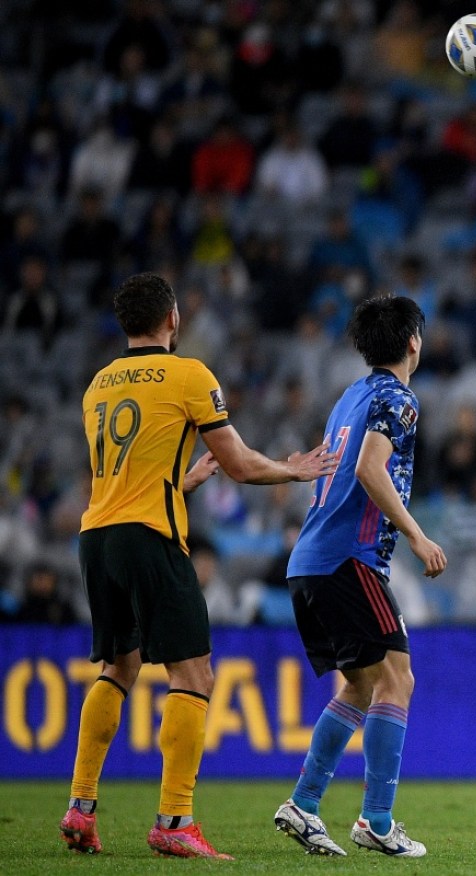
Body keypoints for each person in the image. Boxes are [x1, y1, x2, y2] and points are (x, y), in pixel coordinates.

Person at [62, 272, 339, 858]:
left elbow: (123, 477)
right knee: (194, 675)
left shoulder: (98, 386)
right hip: (149, 538)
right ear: (173, 320)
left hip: (97, 537)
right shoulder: (189, 374)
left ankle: (81, 807)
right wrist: (296, 470)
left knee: (118, 667)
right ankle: (174, 819)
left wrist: (181, 482)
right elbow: (238, 464)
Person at [274, 295, 447, 858]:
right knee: (398, 679)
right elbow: (371, 469)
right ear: (413, 342)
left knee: (365, 683)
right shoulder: (399, 399)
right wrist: (418, 536)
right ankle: (376, 819)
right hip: (349, 558)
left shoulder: (349, 396)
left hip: (311, 560)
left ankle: (303, 804)